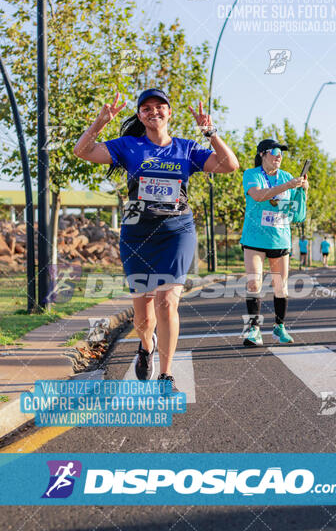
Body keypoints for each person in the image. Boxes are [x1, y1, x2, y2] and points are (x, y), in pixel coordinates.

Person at [74, 89, 239, 388]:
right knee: (144, 317)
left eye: (159, 107)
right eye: (146, 108)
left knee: (166, 303)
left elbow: (230, 165)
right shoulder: (128, 146)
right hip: (137, 234)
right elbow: (82, 151)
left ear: (169, 112)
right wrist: (99, 123)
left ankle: (166, 373)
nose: (153, 112)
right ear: (139, 116)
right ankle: (145, 346)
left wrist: (210, 132)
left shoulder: (186, 149)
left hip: (177, 231)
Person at [240, 139, 308, 346]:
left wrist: (304, 189)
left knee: (280, 286)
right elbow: (259, 196)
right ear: (262, 154)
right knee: (254, 282)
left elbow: (297, 212)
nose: (279, 156)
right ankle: (254, 329)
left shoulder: (287, 176)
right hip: (254, 238)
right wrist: (288, 185)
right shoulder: (251, 175)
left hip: (280, 237)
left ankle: (279, 327)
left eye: (282, 153)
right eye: (275, 151)